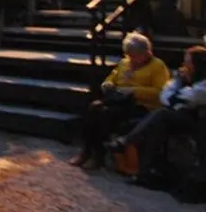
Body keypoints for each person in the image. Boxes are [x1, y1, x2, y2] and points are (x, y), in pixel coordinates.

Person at [69, 32, 170, 170]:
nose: (132, 59)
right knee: (94, 108)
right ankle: (87, 151)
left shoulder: (157, 66)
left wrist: (134, 90)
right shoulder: (125, 63)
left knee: (105, 114)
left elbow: (160, 92)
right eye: (130, 56)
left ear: (146, 52)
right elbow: (113, 76)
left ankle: (98, 155)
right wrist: (108, 84)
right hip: (120, 99)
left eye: (135, 56)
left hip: (141, 105)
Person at [110, 46, 206, 187]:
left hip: (196, 120)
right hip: (176, 114)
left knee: (161, 114)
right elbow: (165, 96)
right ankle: (144, 173)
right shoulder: (184, 78)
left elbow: (192, 98)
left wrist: (178, 92)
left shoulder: (203, 82)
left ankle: (126, 142)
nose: (184, 66)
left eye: (188, 62)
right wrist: (179, 85)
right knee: (156, 126)